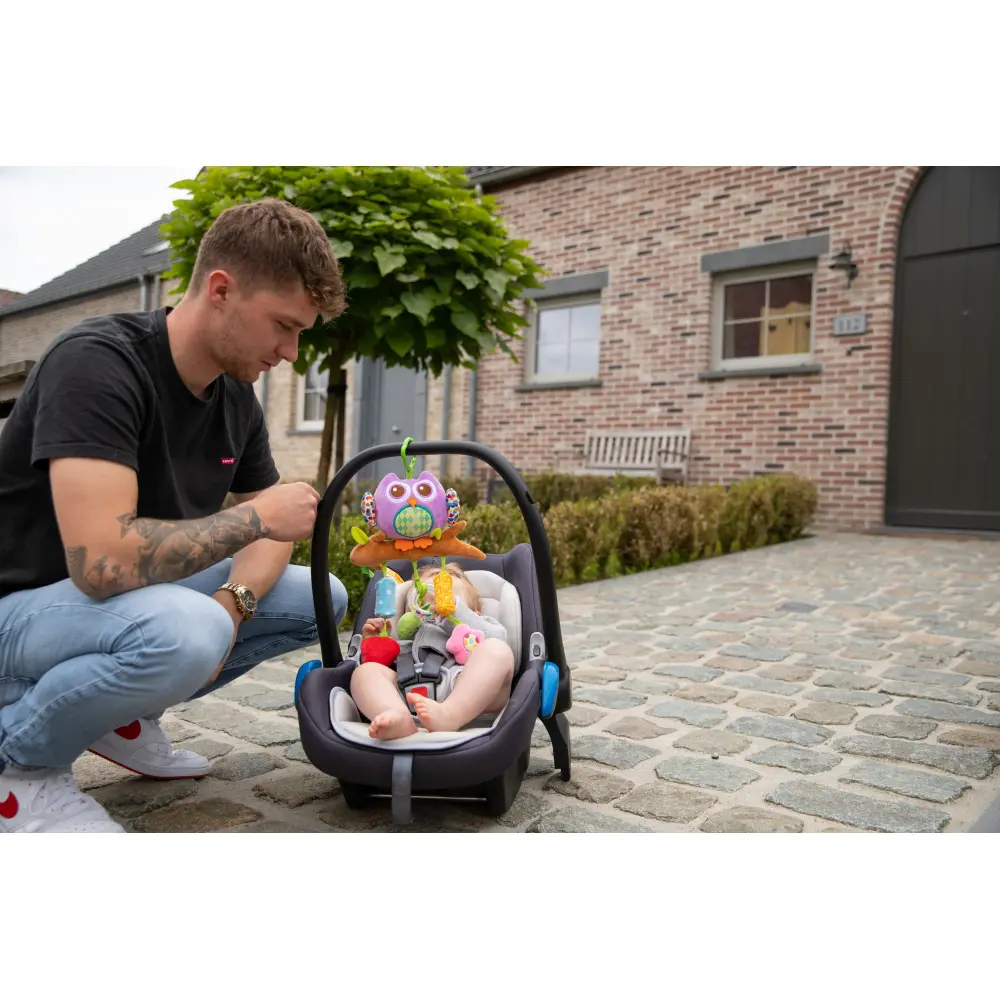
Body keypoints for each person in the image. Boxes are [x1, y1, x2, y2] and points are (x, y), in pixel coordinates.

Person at [0, 198, 350, 833]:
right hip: (16, 613)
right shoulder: (96, 363)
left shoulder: (235, 397)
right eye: (283, 325)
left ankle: (120, 720)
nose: (291, 351)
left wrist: (232, 605)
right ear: (221, 290)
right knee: (186, 630)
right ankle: (19, 769)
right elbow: (100, 564)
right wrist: (254, 522)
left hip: (106, 610)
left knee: (319, 596)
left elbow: (272, 536)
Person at [350, 563, 515, 740]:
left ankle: (450, 714)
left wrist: (455, 613)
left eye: (446, 597)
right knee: (365, 672)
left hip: (460, 686)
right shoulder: (403, 641)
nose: (431, 607)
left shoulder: (477, 628)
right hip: (405, 692)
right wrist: (375, 643)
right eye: (421, 602)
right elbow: (377, 673)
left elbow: (498, 639)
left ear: (475, 613)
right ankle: (395, 715)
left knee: (496, 650)